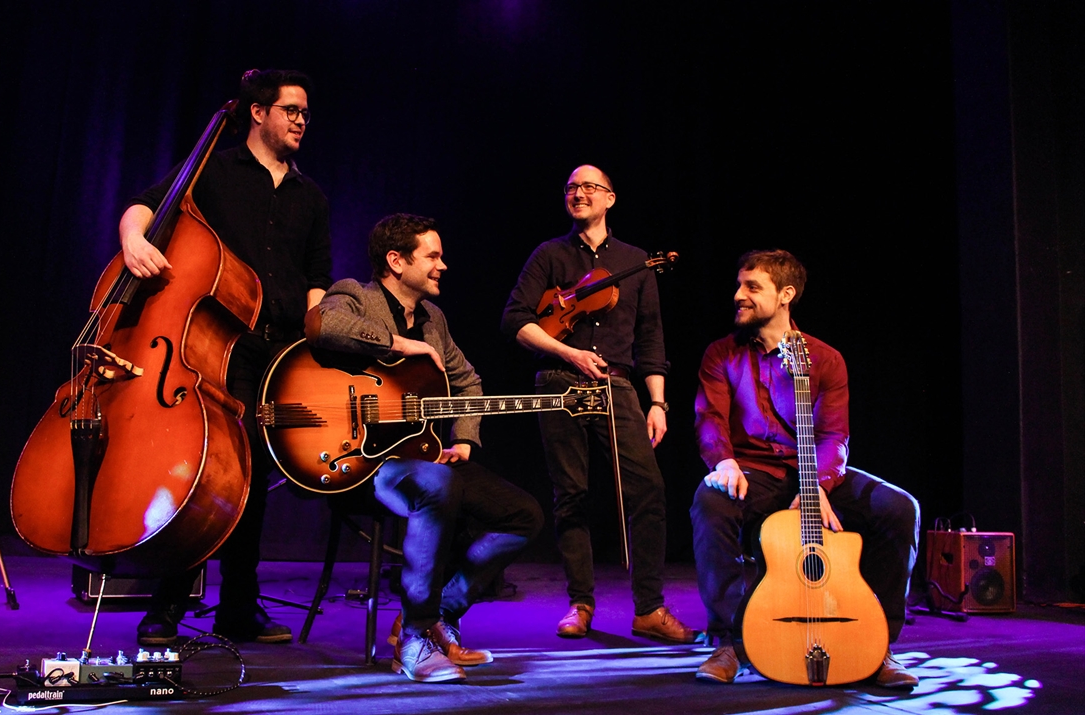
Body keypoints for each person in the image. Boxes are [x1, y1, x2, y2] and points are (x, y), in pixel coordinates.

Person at [119, 68, 332, 646]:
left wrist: (314, 340)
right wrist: (134, 240)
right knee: (200, 471)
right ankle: (166, 606)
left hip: (275, 348)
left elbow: (316, 278)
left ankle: (239, 605)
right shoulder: (213, 168)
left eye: (306, 114)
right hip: (214, 344)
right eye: (292, 109)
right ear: (258, 112)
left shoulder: (311, 196)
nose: (301, 121)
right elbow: (145, 206)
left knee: (252, 479)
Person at [306, 213, 544, 683]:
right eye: (432, 256)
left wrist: (464, 439)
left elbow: (469, 382)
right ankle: (412, 640)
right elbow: (322, 323)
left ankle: (438, 616)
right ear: (397, 261)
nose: (443, 265)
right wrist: (399, 344)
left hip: (422, 459)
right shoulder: (355, 294)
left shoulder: (434, 319)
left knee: (525, 515)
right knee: (436, 484)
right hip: (356, 463)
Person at [689, 249, 920, 687]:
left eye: (752, 287)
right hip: (752, 472)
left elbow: (835, 436)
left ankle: (878, 645)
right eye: (739, 285)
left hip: (812, 474)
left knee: (899, 508)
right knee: (710, 501)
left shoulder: (826, 359)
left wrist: (820, 486)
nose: (738, 295)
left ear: (785, 295)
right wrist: (724, 462)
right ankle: (731, 642)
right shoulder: (721, 354)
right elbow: (709, 419)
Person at [501, 165, 696, 643]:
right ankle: (580, 603)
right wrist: (568, 352)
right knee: (572, 494)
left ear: (610, 198)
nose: (578, 193)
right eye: (571, 187)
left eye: (589, 187)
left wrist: (658, 403)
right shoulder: (549, 255)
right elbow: (515, 320)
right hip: (558, 382)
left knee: (646, 489)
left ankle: (649, 607)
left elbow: (651, 338)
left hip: (617, 384)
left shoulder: (636, 262)